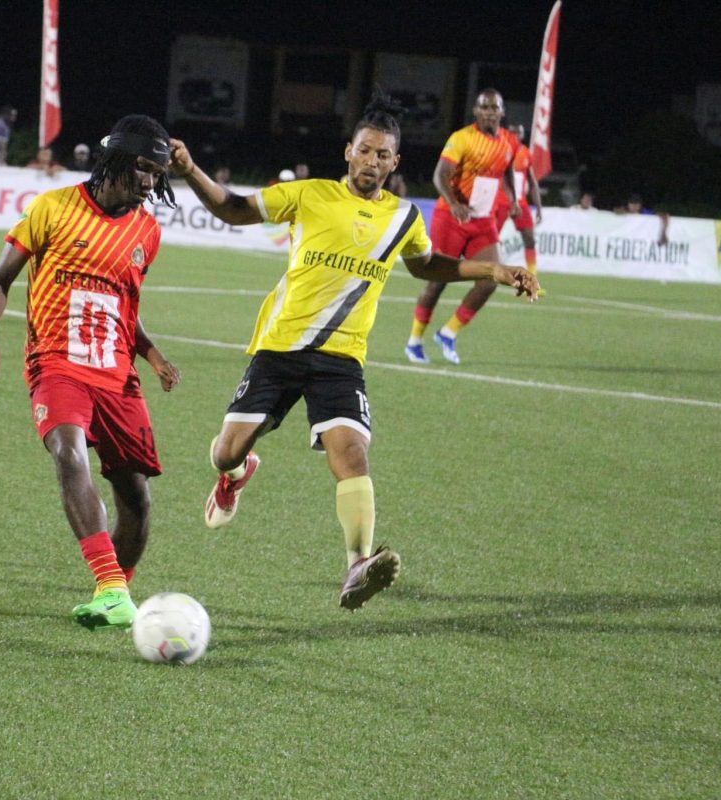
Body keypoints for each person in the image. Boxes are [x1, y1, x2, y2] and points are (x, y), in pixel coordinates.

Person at [168, 94, 538, 611]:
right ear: (348, 152)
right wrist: (189, 168)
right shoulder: (309, 194)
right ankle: (234, 476)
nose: (372, 162)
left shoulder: (404, 217)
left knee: (352, 456)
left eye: (383, 155)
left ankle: (357, 563)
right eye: (365, 151)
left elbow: (427, 265)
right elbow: (233, 208)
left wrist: (494, 269)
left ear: (395, 162)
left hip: (341, 359)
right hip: (280, 347)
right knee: (225, 451)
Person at [0, 114, 181, 632]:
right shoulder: (53, 209)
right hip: (55, 362)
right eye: (144, 170)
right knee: (68, 451)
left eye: (158, 174)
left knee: (136, 497)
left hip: (116, 375)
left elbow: (123, 308)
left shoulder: (146, 233)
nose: (151, 184)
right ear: (116, 162)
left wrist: (151, 355)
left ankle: (113, 593)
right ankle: (111, 585)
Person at [404, 88, 519, 366]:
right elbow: (440, 174)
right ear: (476, 112)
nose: (490, 112)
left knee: (492, 278)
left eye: (495, 108)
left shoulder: (509, 142)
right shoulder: (462, 138)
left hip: (483, 219)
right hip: (451, 218)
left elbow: (508, 171)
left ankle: (448, 332)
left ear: (502, 112)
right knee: (438, 280)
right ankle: (415, 341)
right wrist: (454, 203)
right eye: (485, 107)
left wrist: (514, 198)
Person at [504, 123, 544, 278]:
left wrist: (539, 208)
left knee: (530, 239)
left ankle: (531, 278)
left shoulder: (526, 153)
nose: (515, 135)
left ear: (522, 135)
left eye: (518, 133)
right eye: (512, 132)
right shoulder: (500, 149)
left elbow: (533, 182)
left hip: (520, 203)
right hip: (500, 201)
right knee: (487, 239)